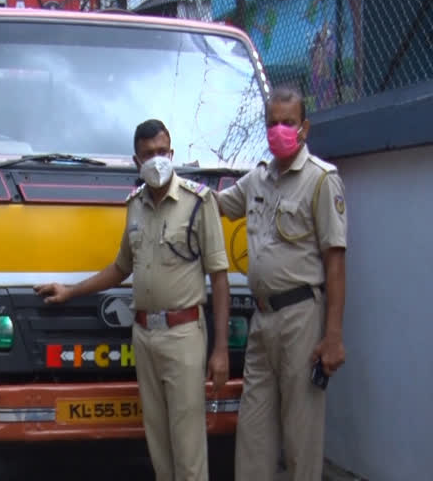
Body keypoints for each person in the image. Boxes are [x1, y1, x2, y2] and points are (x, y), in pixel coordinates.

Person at [35, 119, 231, 481]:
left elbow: (219, 278)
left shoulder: (198, 203)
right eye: (149, 154)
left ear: (171, 153)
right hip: (144, 336)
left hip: (184, 335)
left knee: (189, 449)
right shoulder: (135, 206)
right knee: (159, 445)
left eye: (162, 152)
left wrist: (220, 349)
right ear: (136, 160)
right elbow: (121, 267)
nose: (157, 160)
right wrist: (71, 290)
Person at [215, 86, 347, 481]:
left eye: (288, 123)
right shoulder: (257, 180)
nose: (279, 130)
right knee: (253, 432)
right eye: (272, 123)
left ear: (303, 128)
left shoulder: (321, 181)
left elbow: (336, 261)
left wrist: (334, 336)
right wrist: (173, 186)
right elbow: (217, 204)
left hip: (301, 318)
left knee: (301, 434)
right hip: (262, 319)